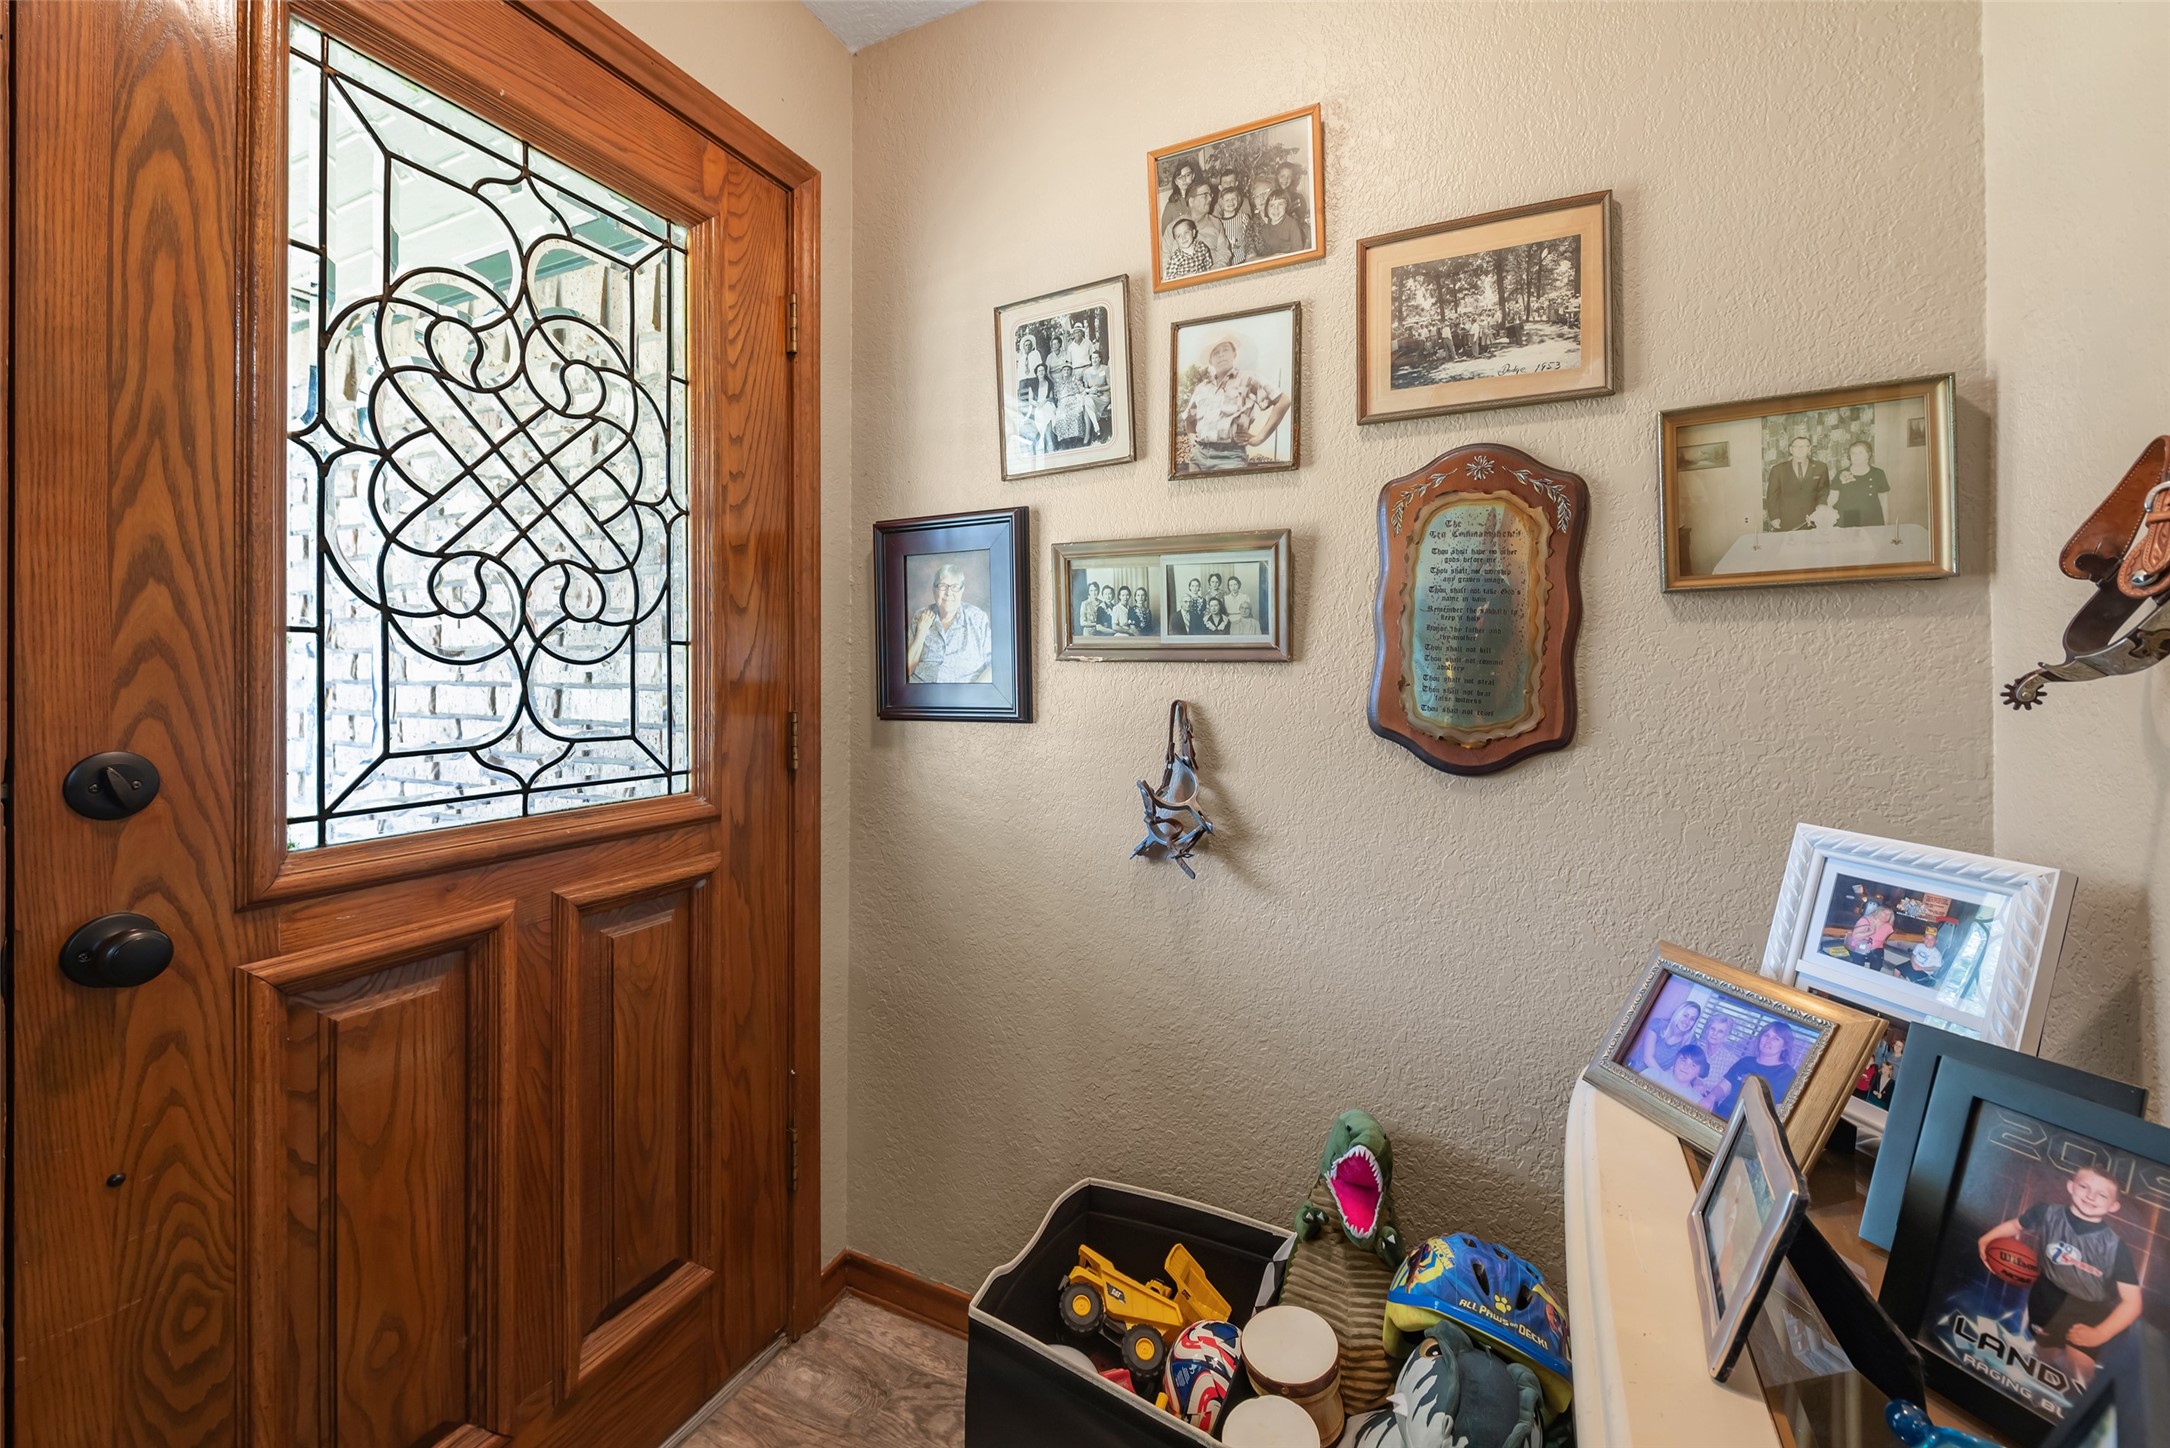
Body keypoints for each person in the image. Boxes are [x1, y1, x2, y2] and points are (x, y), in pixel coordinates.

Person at [1977, 1166, 2144, 1390]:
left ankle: (2075, 1411)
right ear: (2070, 1186)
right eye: (2084, 1186)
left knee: (2079, 1367)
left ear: (2113, 1206)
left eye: (2102, 1194)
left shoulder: (2115, 1246)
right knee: (2045, 1356)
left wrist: (2100, 1333)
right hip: (2046, 1296)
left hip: (2088, 1309)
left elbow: (2132, 1303)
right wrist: (1987, 1239)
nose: (2091, 1196)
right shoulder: (2046, 1212)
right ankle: (2035, 1398)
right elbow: (2015, 1225)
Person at [1179, 335, 1293, 472]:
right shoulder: (1202, 387)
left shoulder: (1249, 378)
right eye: (1216, 352)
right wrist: (1191, 436)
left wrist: (1259, 438)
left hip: (1230, 456)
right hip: (1199, 457)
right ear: (1210, 360)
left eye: (1225, 350)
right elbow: (1189, 418)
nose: (1221, 355)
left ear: (1234, 354)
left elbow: (1283, 401)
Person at [906, 563, 993, 683]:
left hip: (964, 696)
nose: (948, 593)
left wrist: (974, 696)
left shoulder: (978, 618)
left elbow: (994, 666)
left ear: (963, 590)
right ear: (934, 589)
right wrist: (921, 632)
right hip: (921, 695)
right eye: (942, 586)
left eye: (955, 587)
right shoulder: (920, 616)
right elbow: (906, 670)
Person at [1713, 1022, 1799, 1117]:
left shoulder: (1788, 1075)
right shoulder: (1745, 1062)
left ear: (1784, 1046)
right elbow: (1723, 1087)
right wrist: (1711, 1098)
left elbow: (1779, 1113)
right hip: (1721, 1116)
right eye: (1766, 1035)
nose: (1768, 1041)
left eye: (1776, 1039)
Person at [1765, 435, 1831, 531]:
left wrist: (1821, 507)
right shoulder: (1778, 469)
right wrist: (1774, 516)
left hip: (1812, 518)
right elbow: (1772, 496)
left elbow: (1823, 490)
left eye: (1804, 446)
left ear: (1809, 449)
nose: (1800, 449)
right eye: (1796, 446)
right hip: (1785, 520)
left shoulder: (1821, 467)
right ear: (1791, 450)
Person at [1831, 440, 1891, 527]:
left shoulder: (1878, 474)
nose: (1856, 456)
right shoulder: (1841, 474)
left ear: (1868, 454)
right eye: (1853, 453)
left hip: (1872, 517)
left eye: (1860, 453)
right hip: (1848, 517)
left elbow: (1884, 501)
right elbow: (1832, 498)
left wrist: (1886, 523)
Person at [1634, 1001, 1704, 1075]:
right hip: (1635, 1070)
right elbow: (1647, 1058)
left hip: (1655, 1078)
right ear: (1678, 1013)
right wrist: (1664, 1078)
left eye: (1692, 1019)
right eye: (1685, 1015)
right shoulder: (1657, 1024)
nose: (1687, 1021)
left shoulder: (1691, 1041)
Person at [1639, 1043, 1711, 1104]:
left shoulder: (1697, 1101)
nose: (1686, 1067)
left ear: (1698, 1072)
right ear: (1675, 1060)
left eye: (1693, 1065)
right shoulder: (1652, 1075)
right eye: (1683, 1061)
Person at [1250, 190, 1305, 259]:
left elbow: (1298, 251)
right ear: (1267, 208)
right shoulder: (1264, 229)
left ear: (1287, 206)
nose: (1276, 208)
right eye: (1272, 205)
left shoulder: (1292, 224)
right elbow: (1265, 253)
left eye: (1280, 204)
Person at [1214, 184, 1253, 265]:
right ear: (1221, 203)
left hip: (1242, 259)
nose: (1231, 202)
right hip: (1226, 263)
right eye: (1227, 200)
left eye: (1233, 199)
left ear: (1238, 200)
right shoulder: (1217, 222)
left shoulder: (1243, 217)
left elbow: (1250, 239)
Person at [1024, 361, 1057, 454]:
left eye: (1043, 370)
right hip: (1037, 405)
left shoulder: (1049, 383)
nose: (1041, 372)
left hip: (1048, 404)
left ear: (1045, 372)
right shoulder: (1033, 383)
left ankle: (1046, 441)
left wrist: (1045, 401)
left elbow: (1051, 398)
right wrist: (1037, 404)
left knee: (1048, 410)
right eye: (1039, 371)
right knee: (1042, 414)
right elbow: (1030, 399)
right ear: (1036, 373)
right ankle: (1047, 441)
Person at [1159, 159, 1199, 231]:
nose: (1184, 180)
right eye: (1180, 178)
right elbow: (1165, 234)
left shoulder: (1200, 197)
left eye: (1187, 175)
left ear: (1193, 176)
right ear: (1176, 182)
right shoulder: (1171, 205)